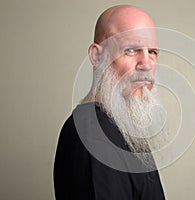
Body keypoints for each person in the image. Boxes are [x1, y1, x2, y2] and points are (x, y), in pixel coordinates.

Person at [54, 5, 166, 200]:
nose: (146, 64)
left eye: (152, 52)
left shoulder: (119, 125)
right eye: (131, 50)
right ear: (97, 56)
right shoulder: (95, 135)